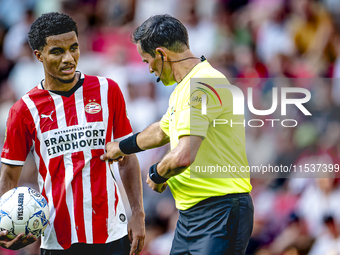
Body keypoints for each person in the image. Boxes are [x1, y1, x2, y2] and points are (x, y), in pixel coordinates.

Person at [100, 14, 254, 255]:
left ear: (162, 54)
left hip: (221, 211)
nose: (149, 68)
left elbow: (184, 155)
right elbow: (161, 130)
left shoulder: (203, 83)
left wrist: (157, 174)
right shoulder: (184, 87)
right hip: (189, 217)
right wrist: (121, 146)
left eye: (147, 60)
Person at [0, 12, 145, 255]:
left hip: (112, 232)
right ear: (39, 55)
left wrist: (138, 213)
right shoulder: (24, 110)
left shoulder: (108, 90)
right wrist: (7, 225)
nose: (69, 58)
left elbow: (127, 158)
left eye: (74, 48)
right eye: (57, 51)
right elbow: (8, 176)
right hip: (57, 239)